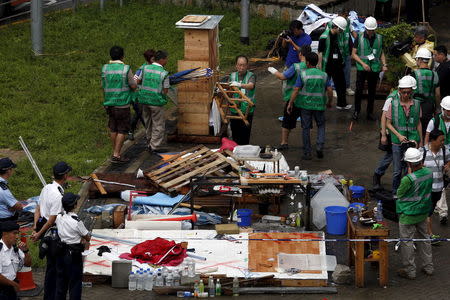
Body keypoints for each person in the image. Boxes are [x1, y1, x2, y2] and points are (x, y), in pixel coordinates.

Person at [32, 161, 72, 300]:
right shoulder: (57, 196)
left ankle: (48, 296)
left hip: (44, 231)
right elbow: (51, 221)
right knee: (59, 270)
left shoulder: (46, 188)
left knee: (50, 269)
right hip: (54, 235)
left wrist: (35, 227)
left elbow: (38, 208)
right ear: (65, 175)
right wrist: (38, 233)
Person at [287, 52, 333, 160]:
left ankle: (307, 153)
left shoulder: (303, 74)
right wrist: (329, 102)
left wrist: (290, 103)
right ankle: (319, 146)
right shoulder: (324, 75)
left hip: (305, 106)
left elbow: (296, 90)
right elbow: (330, 90)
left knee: (305, 128)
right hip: (319, 106)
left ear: (307, 62)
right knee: (321, 126)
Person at [396, 147, 433, 279]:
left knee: (407, 242)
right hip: (423, 212)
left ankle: (410, 271)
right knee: (425, 239)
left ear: (409, 163)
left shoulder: (408, 179)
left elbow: (399, 194)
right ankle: (428, 267)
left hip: (408, 215)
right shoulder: (429, 173)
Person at [268, 45, 310, 150]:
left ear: (300, 54)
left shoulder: (296, 67)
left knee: (287, 122)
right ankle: (307, 145)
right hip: (307, 100)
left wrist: (273, 70)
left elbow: (282, 77)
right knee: (306, 124)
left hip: (293, 99)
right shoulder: (312, 66)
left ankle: (284, 143)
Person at [386, 75, 422, 195]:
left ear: (412, 91)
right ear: (399, 91)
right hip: (397, 142)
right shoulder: (394, 104)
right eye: (403, 92)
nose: (406, 95)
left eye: (408, 92)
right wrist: (399, 135)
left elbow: (418, 124)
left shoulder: (416, 104)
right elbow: (388, 124)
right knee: (397, 171)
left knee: (409, 170)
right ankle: (395, 193)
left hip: (412, 142)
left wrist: (420, 141)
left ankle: (407, 191)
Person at [101, 46, 137, 163]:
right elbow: (133, 85)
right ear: (122, 56)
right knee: (122, 129)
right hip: (122, 104)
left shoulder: (105, 68)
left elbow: (103, 85)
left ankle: (115, 152)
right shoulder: (125, 69)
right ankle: (116, 155)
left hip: (109, 103)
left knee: (113, 128)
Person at [55, 193, 90, 300]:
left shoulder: (59, 217)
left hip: (61, 252)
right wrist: (82, 239)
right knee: (75, 282)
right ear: (75, 205)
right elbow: (87, 237)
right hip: (73, 254)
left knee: (61, 282)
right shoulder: (77, 222)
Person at [352, 16, 388, 121]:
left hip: (375, 69)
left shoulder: (380, 38)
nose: (370, 32)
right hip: (362, 68)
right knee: (358, 91)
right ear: (365, 28)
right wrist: (363, 64)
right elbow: (353, 54)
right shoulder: (359, 37)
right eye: (368, 30)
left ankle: (370, 113)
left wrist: (384, 64)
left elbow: (381, 53)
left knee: (372, 92)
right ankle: (356, 111)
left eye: (372, 30)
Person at [420, 129, 450, 243]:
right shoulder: (422, 152)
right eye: (440, 140)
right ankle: (429, 235)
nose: (443, 142)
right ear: (432, 140)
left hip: (439, 188)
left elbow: (449, 160)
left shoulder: (444, 151)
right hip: (425, 189)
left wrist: (447, 165)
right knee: (427, 211)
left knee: (429, 211)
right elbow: (412, 167)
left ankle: (424, 232)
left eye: (443, 140)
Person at [138, 50, 170, 153]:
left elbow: (137, 80)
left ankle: (149, 141)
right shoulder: (164, 73)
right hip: (156, 102)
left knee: (148, 122)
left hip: (144, 100)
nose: (166, 61)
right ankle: (154, 146)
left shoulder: (145, 68)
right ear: (161, 60)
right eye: (166, 59)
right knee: (158, 124)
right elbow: (165, 91)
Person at [425, 96, 450, 224]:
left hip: (447, 155)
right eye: (448, 110)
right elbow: (428, 138)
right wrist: (427, 153)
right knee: (440, 181)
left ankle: (439, 207)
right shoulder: (434, 121)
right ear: (443, 109)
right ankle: (443, 211)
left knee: (442, 183)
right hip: (438, 153)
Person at [318, 16, 352, 110]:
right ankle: (320, 103)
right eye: (340, 29)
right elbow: (320, 52)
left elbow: (342, 48)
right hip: (327, 65)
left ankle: (341, 104)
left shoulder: (338, 36)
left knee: (341, 84)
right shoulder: (324, 37)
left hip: (338, 65)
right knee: (323, 86)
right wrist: (320, 67)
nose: (341, 31)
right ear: (335, 27)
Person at [411, 48, 440, 137]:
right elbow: (438, 94)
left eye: (417, 59)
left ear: (419, 59)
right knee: (427, 129)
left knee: (416, 128)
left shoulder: (414, 74)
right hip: (429, 106)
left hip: (416, 106)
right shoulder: (435, 74)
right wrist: (437, 108)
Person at [128, 49, 156, 141]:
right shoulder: (142, 69)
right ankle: (131, 132)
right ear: (149, 59)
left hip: (147, 95)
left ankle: (149, 133)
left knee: (144, 113)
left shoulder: (154, 68)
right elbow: (135, 82)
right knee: (139, 113)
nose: (155, 60)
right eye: (153, 58)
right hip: (138, 95)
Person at [229, 55, 256, 145]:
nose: (241, 67)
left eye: (244, 65)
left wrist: (240, 85)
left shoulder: (251, 76)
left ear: (247, 65)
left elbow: (251, 85)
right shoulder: (232, 76)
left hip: (246, 111)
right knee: (235, 135)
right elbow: (228, 90)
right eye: (239, 65)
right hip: (234, 109)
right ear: (236, 65)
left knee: (244, 136)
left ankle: (244, 155)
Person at [0, 221, 31, 300]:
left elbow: (28, 264)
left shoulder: (15, 248)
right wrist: (14, 284)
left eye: (18, 233)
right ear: (4, 234)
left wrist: (26, 251)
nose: (17, 237)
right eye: (14, 233)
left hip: (11, 287)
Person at [0, 158, 22, 225]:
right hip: (5, 221)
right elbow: (18, 207)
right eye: (12, 168)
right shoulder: (2, 189)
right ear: (8, 171)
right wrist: (14, 207)